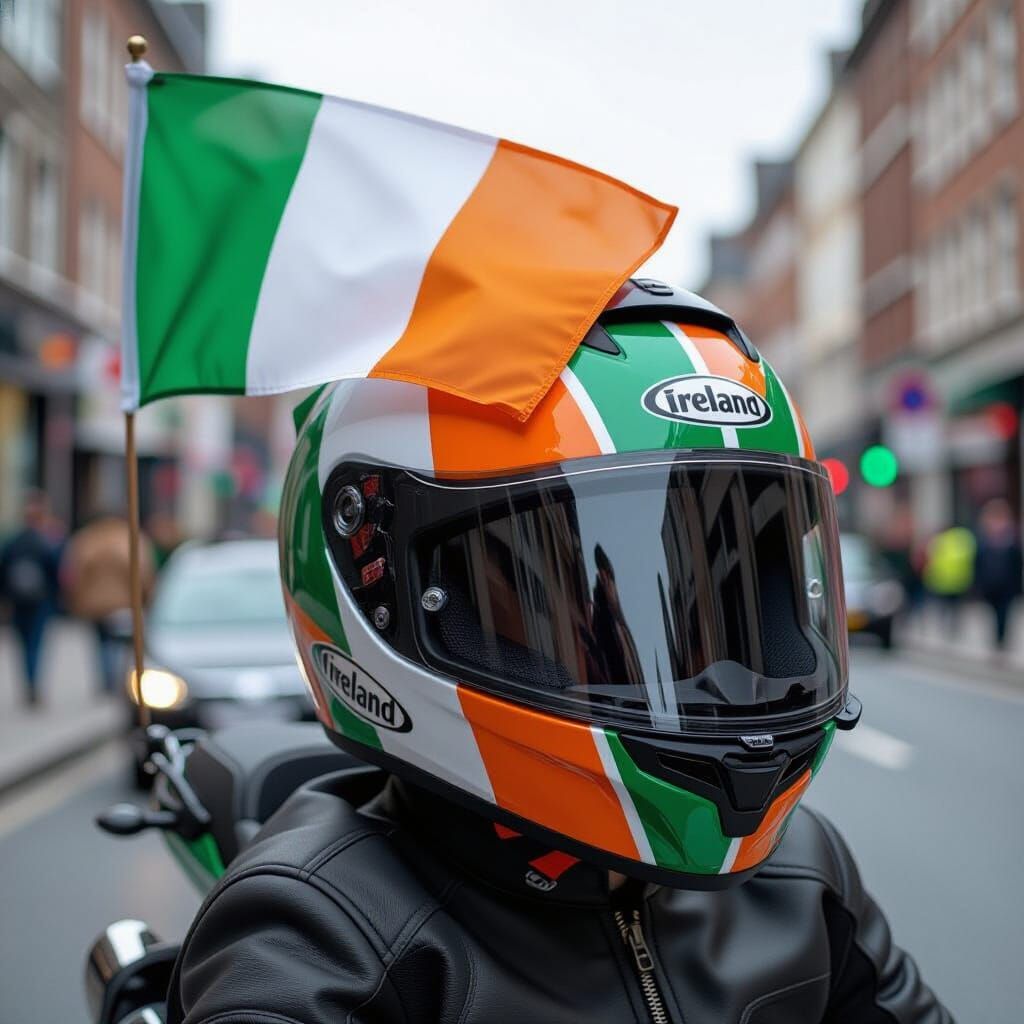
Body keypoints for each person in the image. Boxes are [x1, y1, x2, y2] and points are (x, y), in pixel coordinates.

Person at [168, 282, 952, 1023]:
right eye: (567, 590)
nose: (715, 672)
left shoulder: (800, 871)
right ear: (388, 589)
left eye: (728, 596)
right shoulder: (314, 936)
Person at [62, 514, 155, 694]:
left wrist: (74, 598)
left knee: (101, 642)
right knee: (118, 642)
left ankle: (107, 677)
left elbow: (74, 574)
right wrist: (147, 596)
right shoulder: (128, 539)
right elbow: (143, 572)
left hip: (94, 603)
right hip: (122, 602)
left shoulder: (87, 540)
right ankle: (114, 678)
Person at [0, 491, 62, 707]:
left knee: (23, 645)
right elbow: (56, 573)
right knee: (34, 644)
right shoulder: (45, 542)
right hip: (40, 602)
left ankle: (29, 682)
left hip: (18, 602)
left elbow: (3, 570)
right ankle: (32, 684)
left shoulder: (13, 541)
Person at [973, 498, 1023, 652]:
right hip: (990, 586)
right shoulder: (983, 543)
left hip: (1007, 586)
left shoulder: (1011, 542)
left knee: (1004, 615)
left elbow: (1017, 565)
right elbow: (978, 565)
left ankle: (1001, 642)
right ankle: (997, 641)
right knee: (994, 616)